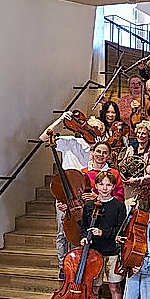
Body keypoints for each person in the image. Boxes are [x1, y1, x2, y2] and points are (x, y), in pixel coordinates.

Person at [39, 110, 102, 279]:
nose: (92, 130)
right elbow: (44, 138)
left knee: (81, 234)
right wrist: (61, 119)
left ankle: (78, 267)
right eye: (91, 126)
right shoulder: (71, 142)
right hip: (66, 194)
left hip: (85, 195)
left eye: (97, 128)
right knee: (63, 233)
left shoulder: (100, 150)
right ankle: (62, 267)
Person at [72, 171, 128, 299]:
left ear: (113, 187)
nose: (105, 188)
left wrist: (103, 233)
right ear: (96, 186)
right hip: (94, 253)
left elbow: (121, 230)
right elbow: (84, 226)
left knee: (114, 287)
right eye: (101, 184)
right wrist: (83, 237)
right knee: (93, 289)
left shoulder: (118, 206)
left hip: (111, 252)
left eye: (108, 185)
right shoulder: (89, 206)